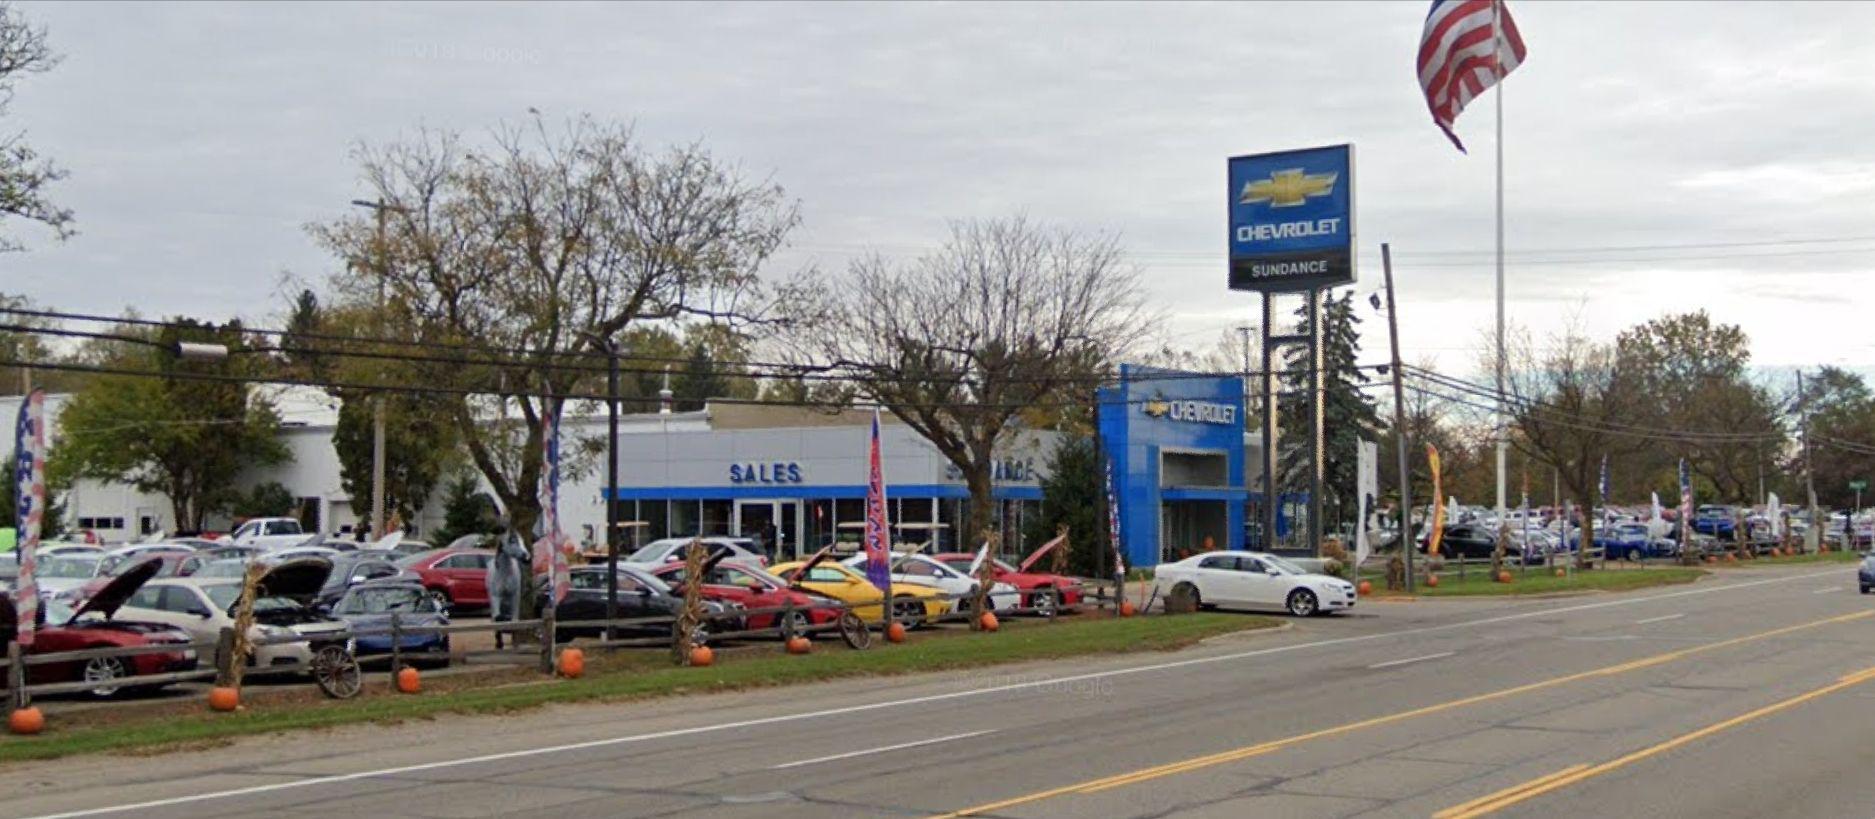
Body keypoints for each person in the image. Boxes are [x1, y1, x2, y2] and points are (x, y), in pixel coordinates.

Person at [485, 512, 530, 649]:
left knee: (516, 599)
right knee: (495, 602)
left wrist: (523, 554)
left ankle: (515, 638)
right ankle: (498, 635)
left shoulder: (514, 534)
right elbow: (508, 545)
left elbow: (518, 546)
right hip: (498, 573)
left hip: (513, 574)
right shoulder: (504, 539)